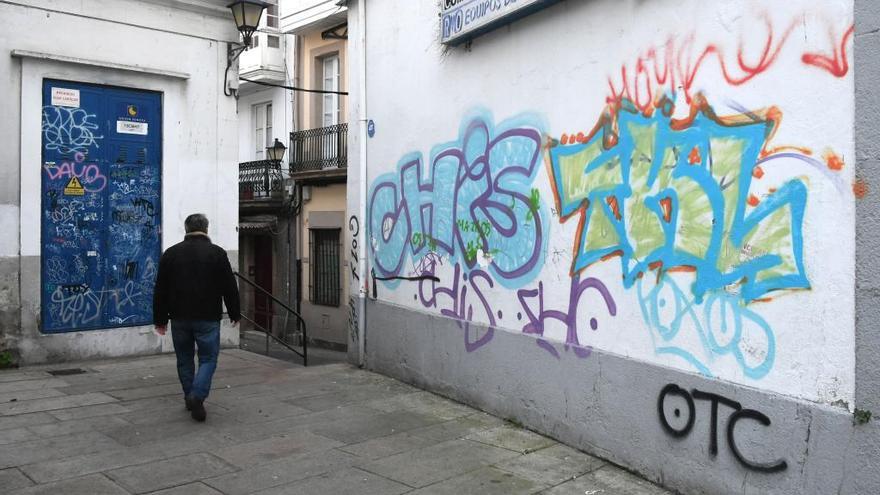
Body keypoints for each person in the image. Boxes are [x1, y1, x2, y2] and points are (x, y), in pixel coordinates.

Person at [153, 213, 240, 422]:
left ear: (186, 229)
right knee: (208, 358)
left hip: (180, 317)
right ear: (206, 229)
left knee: (184, 360)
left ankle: (189, 396)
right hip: (208, 317)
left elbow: (160, 289)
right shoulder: (217, 253)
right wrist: (235, 312)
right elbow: (229, 286)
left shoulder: (171, 254)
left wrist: (160, 320)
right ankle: (197, 396)